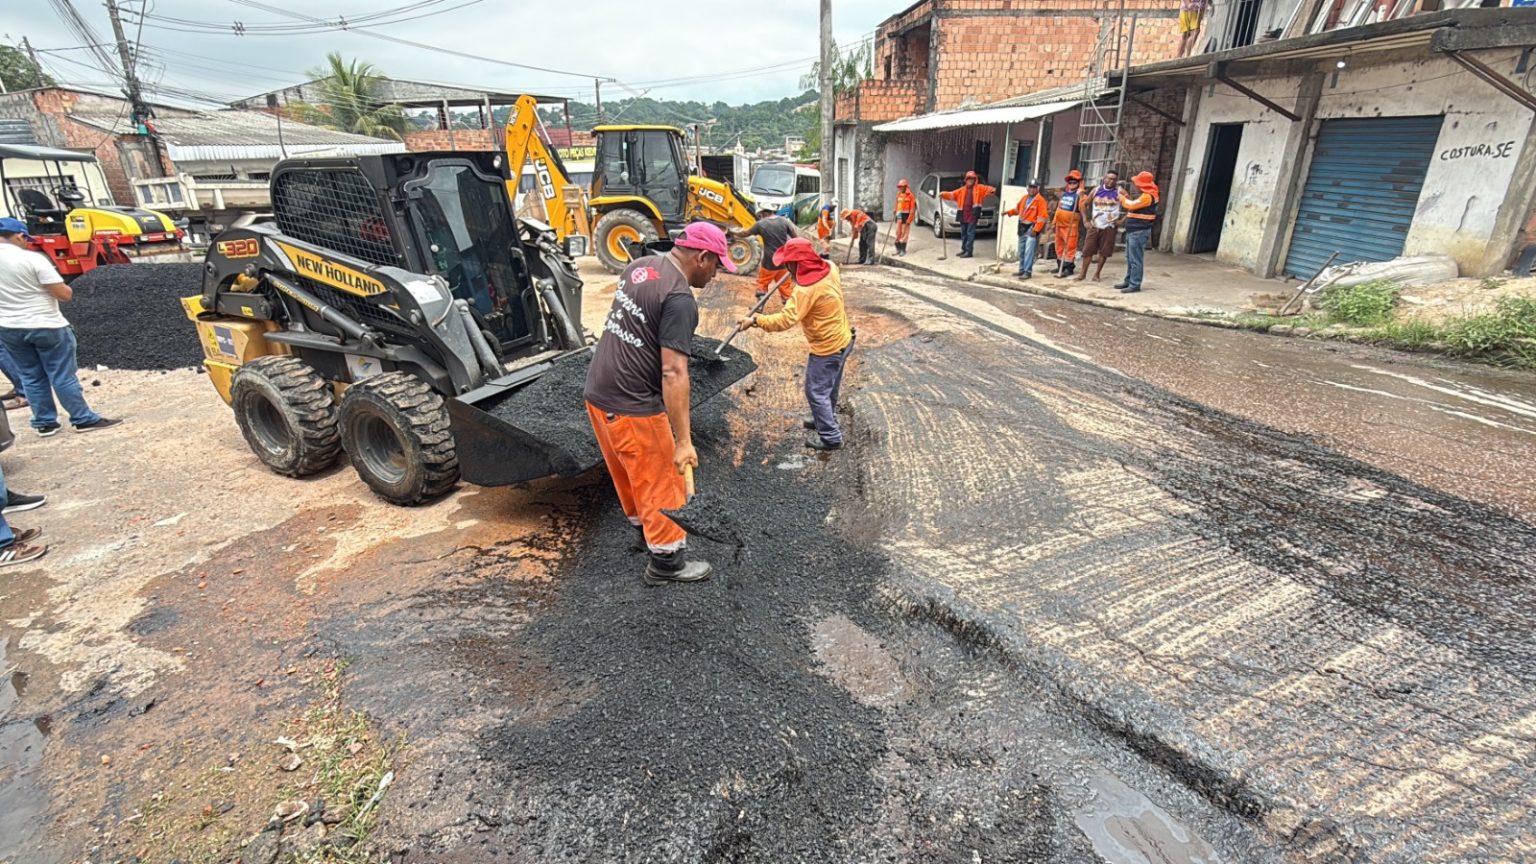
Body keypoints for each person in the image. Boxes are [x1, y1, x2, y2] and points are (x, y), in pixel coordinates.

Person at [583, 222, 734, 586]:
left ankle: (643, 532)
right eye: (716, 266)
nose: (716, 275)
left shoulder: (641, 266)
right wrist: (683, 441)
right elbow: (673, 372)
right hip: (634, 403)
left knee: (629, 473)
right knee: (661, 477)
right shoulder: (680, 299)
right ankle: (666, 563)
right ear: (701, 257)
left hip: (599, 393)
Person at [0, 218, 122, 436]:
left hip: (8, 327)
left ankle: (45, 423)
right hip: (46, 324)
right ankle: (83, 419)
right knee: (62, 375)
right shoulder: (32, 259)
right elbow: (64, 294)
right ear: (19, 236)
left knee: (30, 376)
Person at [737, 237, 853, 451]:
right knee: (829, 386)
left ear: (798, 263)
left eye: (788, 264)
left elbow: (785, 320)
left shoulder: (805, 291)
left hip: (827, 349)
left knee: (815, 391)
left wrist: (755, 320)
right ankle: (825, 419)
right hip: (844, 338)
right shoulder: (830, 267)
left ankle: (830, 436)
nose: (785, 268)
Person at [731, 208, 798, 303]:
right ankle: (789, 307)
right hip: (783, 261)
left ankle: (760, 306)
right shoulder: (784, 221)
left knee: (762, 283)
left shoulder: (761, 224)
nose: (761, 217)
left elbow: (745, 233)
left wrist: (732, 231)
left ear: (764, 213)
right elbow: (795, 238)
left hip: (768, 262)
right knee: (785, 286)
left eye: (761, 215)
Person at [1116, 171, 1160, 294]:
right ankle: (1129, 280)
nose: (1135, 185)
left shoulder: (1147, 196)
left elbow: (1130, 205)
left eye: (1137, 183)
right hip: (1134, 230)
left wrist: (1121, 197)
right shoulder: (1148, 194)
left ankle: (1135, 284)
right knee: (1130, 258)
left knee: (1135, 259)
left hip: (1138, 231)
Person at [1075, 171, 1122, 283]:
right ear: (1104, 179)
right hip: (1095, 225)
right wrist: (1085, 220)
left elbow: (1131, 205)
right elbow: (1084, 205)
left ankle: (1097, 274)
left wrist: (1121, 221)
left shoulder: (1119, 192)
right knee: (1088, 250)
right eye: (1109, 178)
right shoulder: (1096, 190)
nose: (1111, 181)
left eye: (1114, 179)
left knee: (1104, 252)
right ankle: (1083, 274)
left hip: (1109, 227)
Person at [939, 171, 997, 259]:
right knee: (964, 233)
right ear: (966, 180)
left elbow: (992, 190)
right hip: (963, 214)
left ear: (975, 180)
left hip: (973, 214)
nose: (970, 181)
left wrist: (990, 192)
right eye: (969, 179)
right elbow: (952, 195)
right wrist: (943, 194)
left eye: (972, 179)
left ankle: (969, 251)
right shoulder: (962, 190)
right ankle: (964, 249)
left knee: (970, 233)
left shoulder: (980, 188)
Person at [1003, 179, 1048, 280]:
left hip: (1031, 228)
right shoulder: (1024, 198)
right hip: (1022, 227)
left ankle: (1027, 272)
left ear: (1037, 189)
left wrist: (1036, 230)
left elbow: (1042, 217)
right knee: (1021, 250)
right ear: (1027, 188)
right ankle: (1022, 269)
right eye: (1030, 187)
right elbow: (1018, 210)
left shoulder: (1041, 201)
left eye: (1034, 187)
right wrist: (1008, 212)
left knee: (1029, 251)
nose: (1032, 189)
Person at [1052, 169, 1085, 278]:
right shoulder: (1065, 194)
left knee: (1070, 247)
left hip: (1071, 226)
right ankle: (1060, 264)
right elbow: (1058, 208)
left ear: (1079, 183)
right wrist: (1054, 222)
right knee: (1059, 246)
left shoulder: (1080, 196)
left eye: (1074, 182)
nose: (1071, 184)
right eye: (1070, 182)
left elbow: (1083, 207)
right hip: (1060, 225)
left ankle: (1068, 268)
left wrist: (1081, 196)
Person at [892, 179, 917, 256]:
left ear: (905, 187)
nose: (900, 188)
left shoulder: (910, 196)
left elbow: (912, 209)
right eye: (899, 186)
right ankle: (898, 249)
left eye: (901, 186)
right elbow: (896, 204)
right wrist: (895, 210)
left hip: (906, 217)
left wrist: (909, 219)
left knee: (904, 233)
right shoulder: (898, 194)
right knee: (898, 232)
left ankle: (903, 250)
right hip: (899, 216)